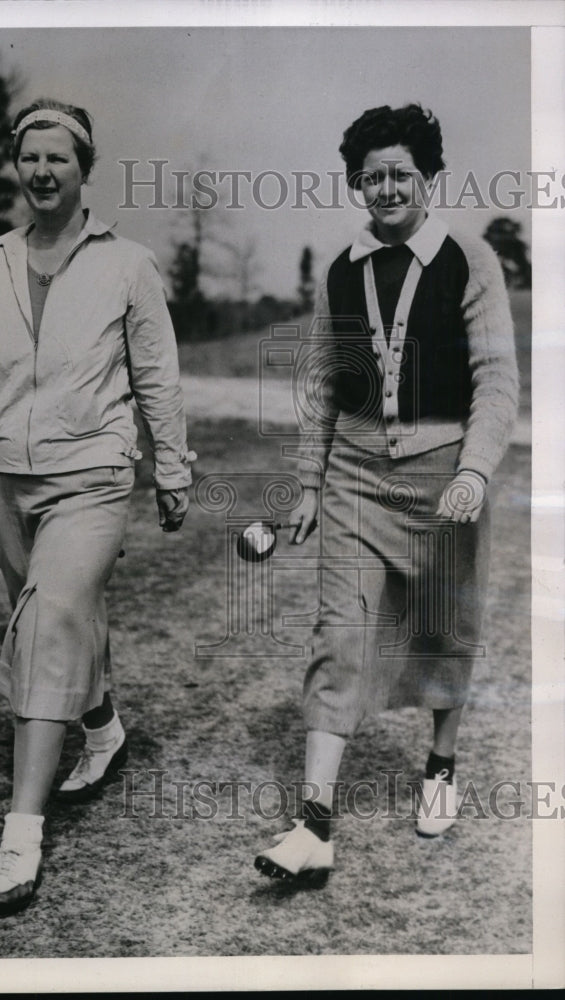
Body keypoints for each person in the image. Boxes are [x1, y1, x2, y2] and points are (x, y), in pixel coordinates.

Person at [0, 98, 195, 914]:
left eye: (59, 158)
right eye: (30, 158)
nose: (43, 172)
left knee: (49, 626)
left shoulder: (127, 264)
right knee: (50, 617)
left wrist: (173, 466)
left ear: (85, 168)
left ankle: (20, 836)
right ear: (18, 166)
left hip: (93, 476)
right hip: (5, 479)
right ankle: (104, 727)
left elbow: (156, 373)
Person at [254, 104, 518, 881]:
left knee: (444, 627)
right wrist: (308, 482)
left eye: (400, 173)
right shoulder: (341, 270)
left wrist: (472, 472)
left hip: (444, 480)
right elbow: (325, 386)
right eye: (371, 177)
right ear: (355, 185)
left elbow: (495, 380)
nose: (386, 188)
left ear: (429, 177)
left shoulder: (470, 259)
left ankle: (439, 764)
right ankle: (313, 826)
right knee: (339, 633)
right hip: (355, 481)